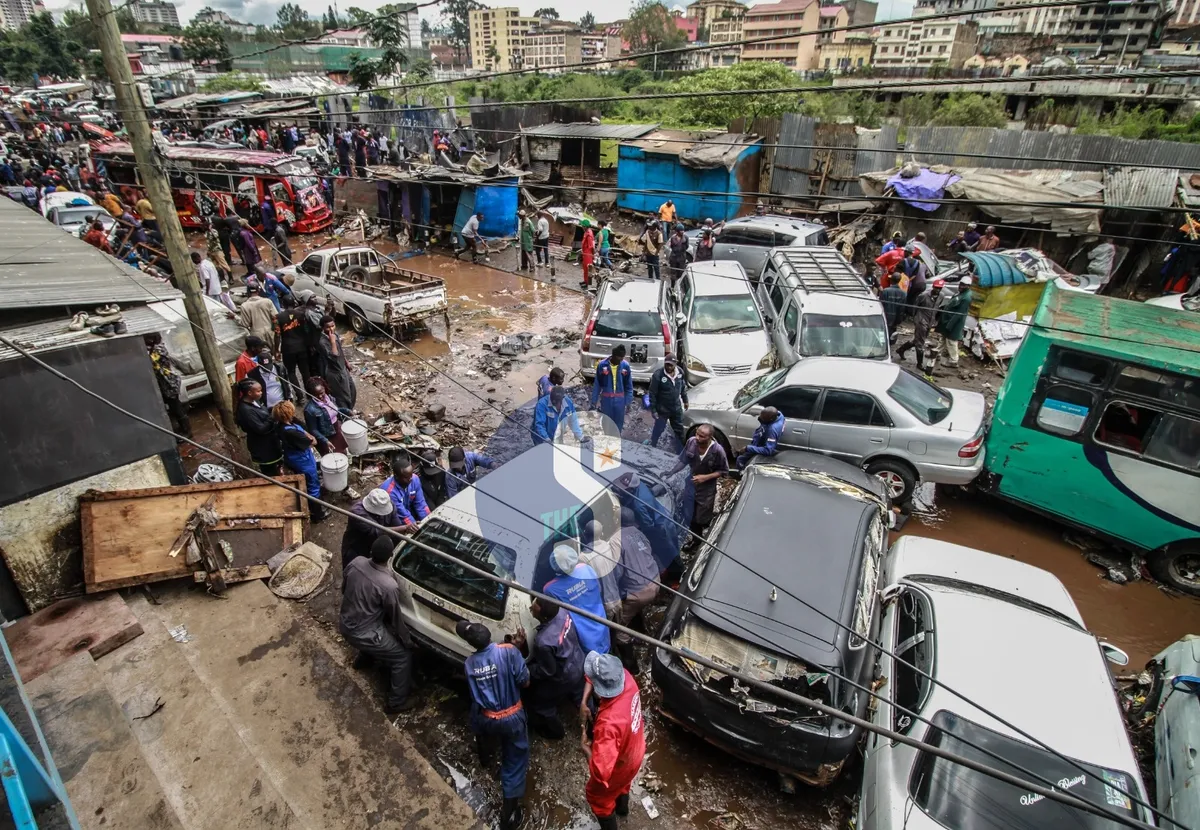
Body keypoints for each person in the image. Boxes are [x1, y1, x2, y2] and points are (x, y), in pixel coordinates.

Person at [456, 621, 529, 830]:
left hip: (487, 717)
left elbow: (476, 692)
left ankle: (485, 757)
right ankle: (508, 815)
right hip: (512, 717)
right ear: (489, 635)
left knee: (479, 725)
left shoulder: (469, 663)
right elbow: (525, 681)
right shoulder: (509, 652)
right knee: (514, 761)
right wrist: (515, 649)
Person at [340, 536, 415, 715]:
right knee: (402, 658)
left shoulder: (356, 562)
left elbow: (344, 589)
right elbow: (396, 619)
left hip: (345, 622)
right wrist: (407, 641)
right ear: (390, 557)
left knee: (376, 624)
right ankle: (396, 703)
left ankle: (363, 660)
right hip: (364, 633)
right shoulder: (388, 584)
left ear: (371, 551)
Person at [581, 651, 646, 830]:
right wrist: (584, 702)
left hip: (621, 765)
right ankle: (622, 809)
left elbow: (601, 773)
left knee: (598, 798)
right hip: (636, 748)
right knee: (623, 785)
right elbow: (591, 676)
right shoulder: (626, 677)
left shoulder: (609, 724)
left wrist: (586, 749)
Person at [512, 597, 584, 740]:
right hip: (578, 661)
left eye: (533, 609)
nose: (530, 609)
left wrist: (526, 668)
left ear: (543, 616)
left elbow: (547, 671)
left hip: (564, 676)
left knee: (541, 704)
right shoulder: (563, 611)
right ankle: (593, 728)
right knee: (581, 698)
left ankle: (556, 733)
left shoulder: (543, 642)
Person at [611, 507, 659, 672]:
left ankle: (632, 668)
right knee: (633, 606)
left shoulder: (616, 541)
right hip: (655, 580)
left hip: (639, 592)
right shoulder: (639, 533)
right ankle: (642, 632)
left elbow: (617, 573)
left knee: (619, 629)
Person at [543, 544, 609, 655]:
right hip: (601, 625)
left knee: (592, 663)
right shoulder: (585, 568)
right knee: (605, 655)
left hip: (583, 636)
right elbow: (599, 589)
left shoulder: (550, 588)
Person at [674, 424, 727, 546]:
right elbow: (683, 460)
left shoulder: (718, 451)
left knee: (702, 517)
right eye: (697, 434)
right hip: (691, 484)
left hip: (706, 490)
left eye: (702, 436)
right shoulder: (691, 442)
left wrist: (705, 477)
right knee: (690, 514)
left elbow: (723, 471)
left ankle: (705, 534)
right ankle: (696, 540)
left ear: (710, 437)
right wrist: (670, 472)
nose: (697, 437)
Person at [273, 400, 327, 520]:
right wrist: (310, 436)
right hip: (302, 459)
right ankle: (317, 514)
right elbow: (313, 442)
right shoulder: (293, 433)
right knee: (313, 484)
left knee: (305, 481)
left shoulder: (281, 426)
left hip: (291, 456)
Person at [341, 488, 405, 571]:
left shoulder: (388, 504)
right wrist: (405, 528)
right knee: (353, 571)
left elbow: (397, 525)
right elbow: (377, 531)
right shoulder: (357, 512)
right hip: (357, 548)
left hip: (375, 547)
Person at [235, 379, 284, 476]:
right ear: (249, 393)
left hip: (271, 442)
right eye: (258, 391)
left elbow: (264, 411)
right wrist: (272, 417)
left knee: (279, 467)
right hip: (263, 448)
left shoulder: (255, 401)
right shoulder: (246, 411)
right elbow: (260, 429)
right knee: (271, 473)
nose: (261, 393)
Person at [146, 334, 190, 439]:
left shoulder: (159, 349)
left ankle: (187, 431)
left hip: (169, 383)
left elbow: (152, 361)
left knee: (176, 407)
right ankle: (182, 429)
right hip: (164, 383)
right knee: (173, 407)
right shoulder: (154, 348)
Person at [895, 279, 942, 376]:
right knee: (920, 343)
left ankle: (901, 349)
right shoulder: (923, 296)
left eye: (940, 288)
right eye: (936, 288)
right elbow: (914, 307)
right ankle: (919, 364)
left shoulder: (941, 297)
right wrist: (915, 319)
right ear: (933, 287)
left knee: (917, 340)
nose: (937, 290)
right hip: (921, 321)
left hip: (930, 322)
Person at [579, 521, 622, 619]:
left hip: (603, 604)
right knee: (619, 628)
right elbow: (618, 572)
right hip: (616, 598)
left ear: (585, 534)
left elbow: (588, 584)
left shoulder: (583, 557)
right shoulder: (608, 546)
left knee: (608, 631)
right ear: (601, 533)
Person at [278, 292, 316, 402]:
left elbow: (277, 334)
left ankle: (300, 396)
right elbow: (307, 331)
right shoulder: (301, 315)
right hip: (302, 347)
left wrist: (276, 350)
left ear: (283, 304)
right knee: (305, 371)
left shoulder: (278, 317)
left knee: (291, 372)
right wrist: (310, 345)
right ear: (294, 303)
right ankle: (310, 394)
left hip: (288, 349)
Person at [315, 315, 356, 409]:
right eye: (328, 327)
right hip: (335, 373)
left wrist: (346, 362)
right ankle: (346, 414)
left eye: (333, 326)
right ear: (323, 328)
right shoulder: (323, 342)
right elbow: (334, 356)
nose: (331, 329)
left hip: (343, 368)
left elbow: (340, 350)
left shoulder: (335, 334)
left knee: (352, 390)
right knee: (342, 396)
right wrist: (332, 342)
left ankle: (350, 409)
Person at [647, 355, 688, 448]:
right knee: (658, 429)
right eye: (667, 365)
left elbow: (683, 388)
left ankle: (680, 451)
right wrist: (653, 410)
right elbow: (652, 394)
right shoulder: (658, 375)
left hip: (676, 408)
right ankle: (653, 445)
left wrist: (685, 400)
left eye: (671, 365)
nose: (669, 367)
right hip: (662, 409)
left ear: (675, 364)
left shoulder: (680, 372)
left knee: (679, 430)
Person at [590, 345, 633, 433]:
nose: (621, 360)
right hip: (606, 400)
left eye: (622, 358)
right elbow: (597, 384)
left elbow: (629, 386)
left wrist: (628, 401)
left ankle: (616, 440)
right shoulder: (602, 365)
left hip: (620, 400)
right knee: (606, 421)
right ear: (613, 356)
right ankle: (607, 440)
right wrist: (594, 401)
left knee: (618, 423)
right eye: (619, 357)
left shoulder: (625, 366)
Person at [934, 276, 973, 372]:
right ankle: (936, 352)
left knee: (951, 341)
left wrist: (950, 325)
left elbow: (959, 314)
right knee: (943, 338)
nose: (961, 286)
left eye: (964, 285)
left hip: (954, 323)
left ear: (968, 286)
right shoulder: (960, 293)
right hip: (947, 320)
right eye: (961, 284)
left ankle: (953, 360)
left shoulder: (966, 298)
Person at [380, 455, 430, 527]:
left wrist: (428, 521)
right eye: (407, 477)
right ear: (396, 477)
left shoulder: (415, 479)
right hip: (394, 516)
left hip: (408, 508)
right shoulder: (389, 492)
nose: (410, 479)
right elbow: (403, 515)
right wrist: (416, 529)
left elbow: (421, 504)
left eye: (411, 475)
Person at [305, 377, 351, 454]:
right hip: (326, 437)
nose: (320, 396)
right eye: (316, 395)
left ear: (325, 389)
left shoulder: (329, 398)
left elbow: (334, 410)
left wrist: (348, 411)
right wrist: (325, 440)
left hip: (336, 430)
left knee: (343, 453)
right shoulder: (310, 410)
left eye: (321, 393)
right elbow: (313, 430)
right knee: (333, 459)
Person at [238, 283, 279, 347]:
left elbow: (245, 324)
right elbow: (275, 317)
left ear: (248, 291)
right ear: (259, 290)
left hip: (256, 335)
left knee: (263, 354)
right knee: (273, 352)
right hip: (270, 331)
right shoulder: (267, 301)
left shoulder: (244, 306)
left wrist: (236, 318)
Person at [899, 247, 929, 315]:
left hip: (915, 284)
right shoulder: (923, 264)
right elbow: (927, 275)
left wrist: (907, 280)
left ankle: (905, 312)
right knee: (914, 299)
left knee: (908, 298)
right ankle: (911, 313)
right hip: (923, 284)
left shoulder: (906, 261)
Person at [580, 219, 595, 290]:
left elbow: (591, 246)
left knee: (588, 269)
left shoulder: (589, 235)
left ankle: (588, 284)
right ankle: (585, 281)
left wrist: (593, 255)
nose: (581, 227)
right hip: (585, 252)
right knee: (584, 268)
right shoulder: (586, 232)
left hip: (588, 253)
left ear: (585, 226)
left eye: (582, 226)